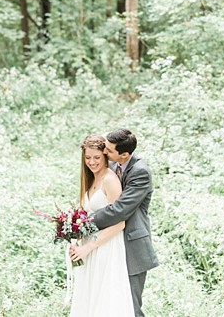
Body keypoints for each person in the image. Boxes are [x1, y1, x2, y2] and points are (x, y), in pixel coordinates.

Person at [72, 128, 159, 317]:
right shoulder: (110, 166)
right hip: (105, 246)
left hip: (131, 245)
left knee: (129, 309)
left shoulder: (140, 172)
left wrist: (82, 226)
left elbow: (120, 210)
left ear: (124, 154)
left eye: (108, 151)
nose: (104, 153)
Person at [68, 134, 134, 316]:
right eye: (88, 158)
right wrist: (74, 239)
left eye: (97, 157)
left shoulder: (110, 180)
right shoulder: (90, 180)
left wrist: (89, 246)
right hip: (88, 248)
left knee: (105, 301)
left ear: (105, 156)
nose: (92, 162)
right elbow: (86, 218)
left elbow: (120, 223)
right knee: (89, 300)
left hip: (106, 247)